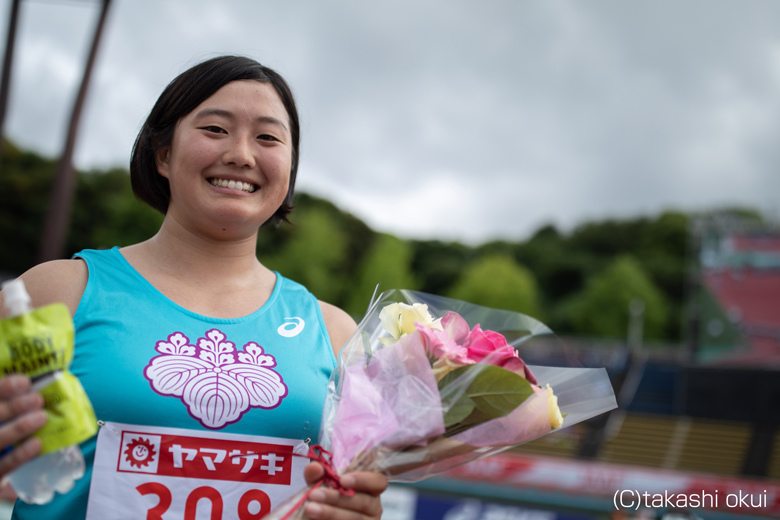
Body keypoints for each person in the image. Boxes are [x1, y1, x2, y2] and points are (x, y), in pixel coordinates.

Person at [0, 55, 387, 519]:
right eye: (216, 130)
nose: (241, 154)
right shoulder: (58, 292)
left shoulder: (335, 333)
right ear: (162, 154)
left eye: (267, 137)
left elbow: (348, 490)